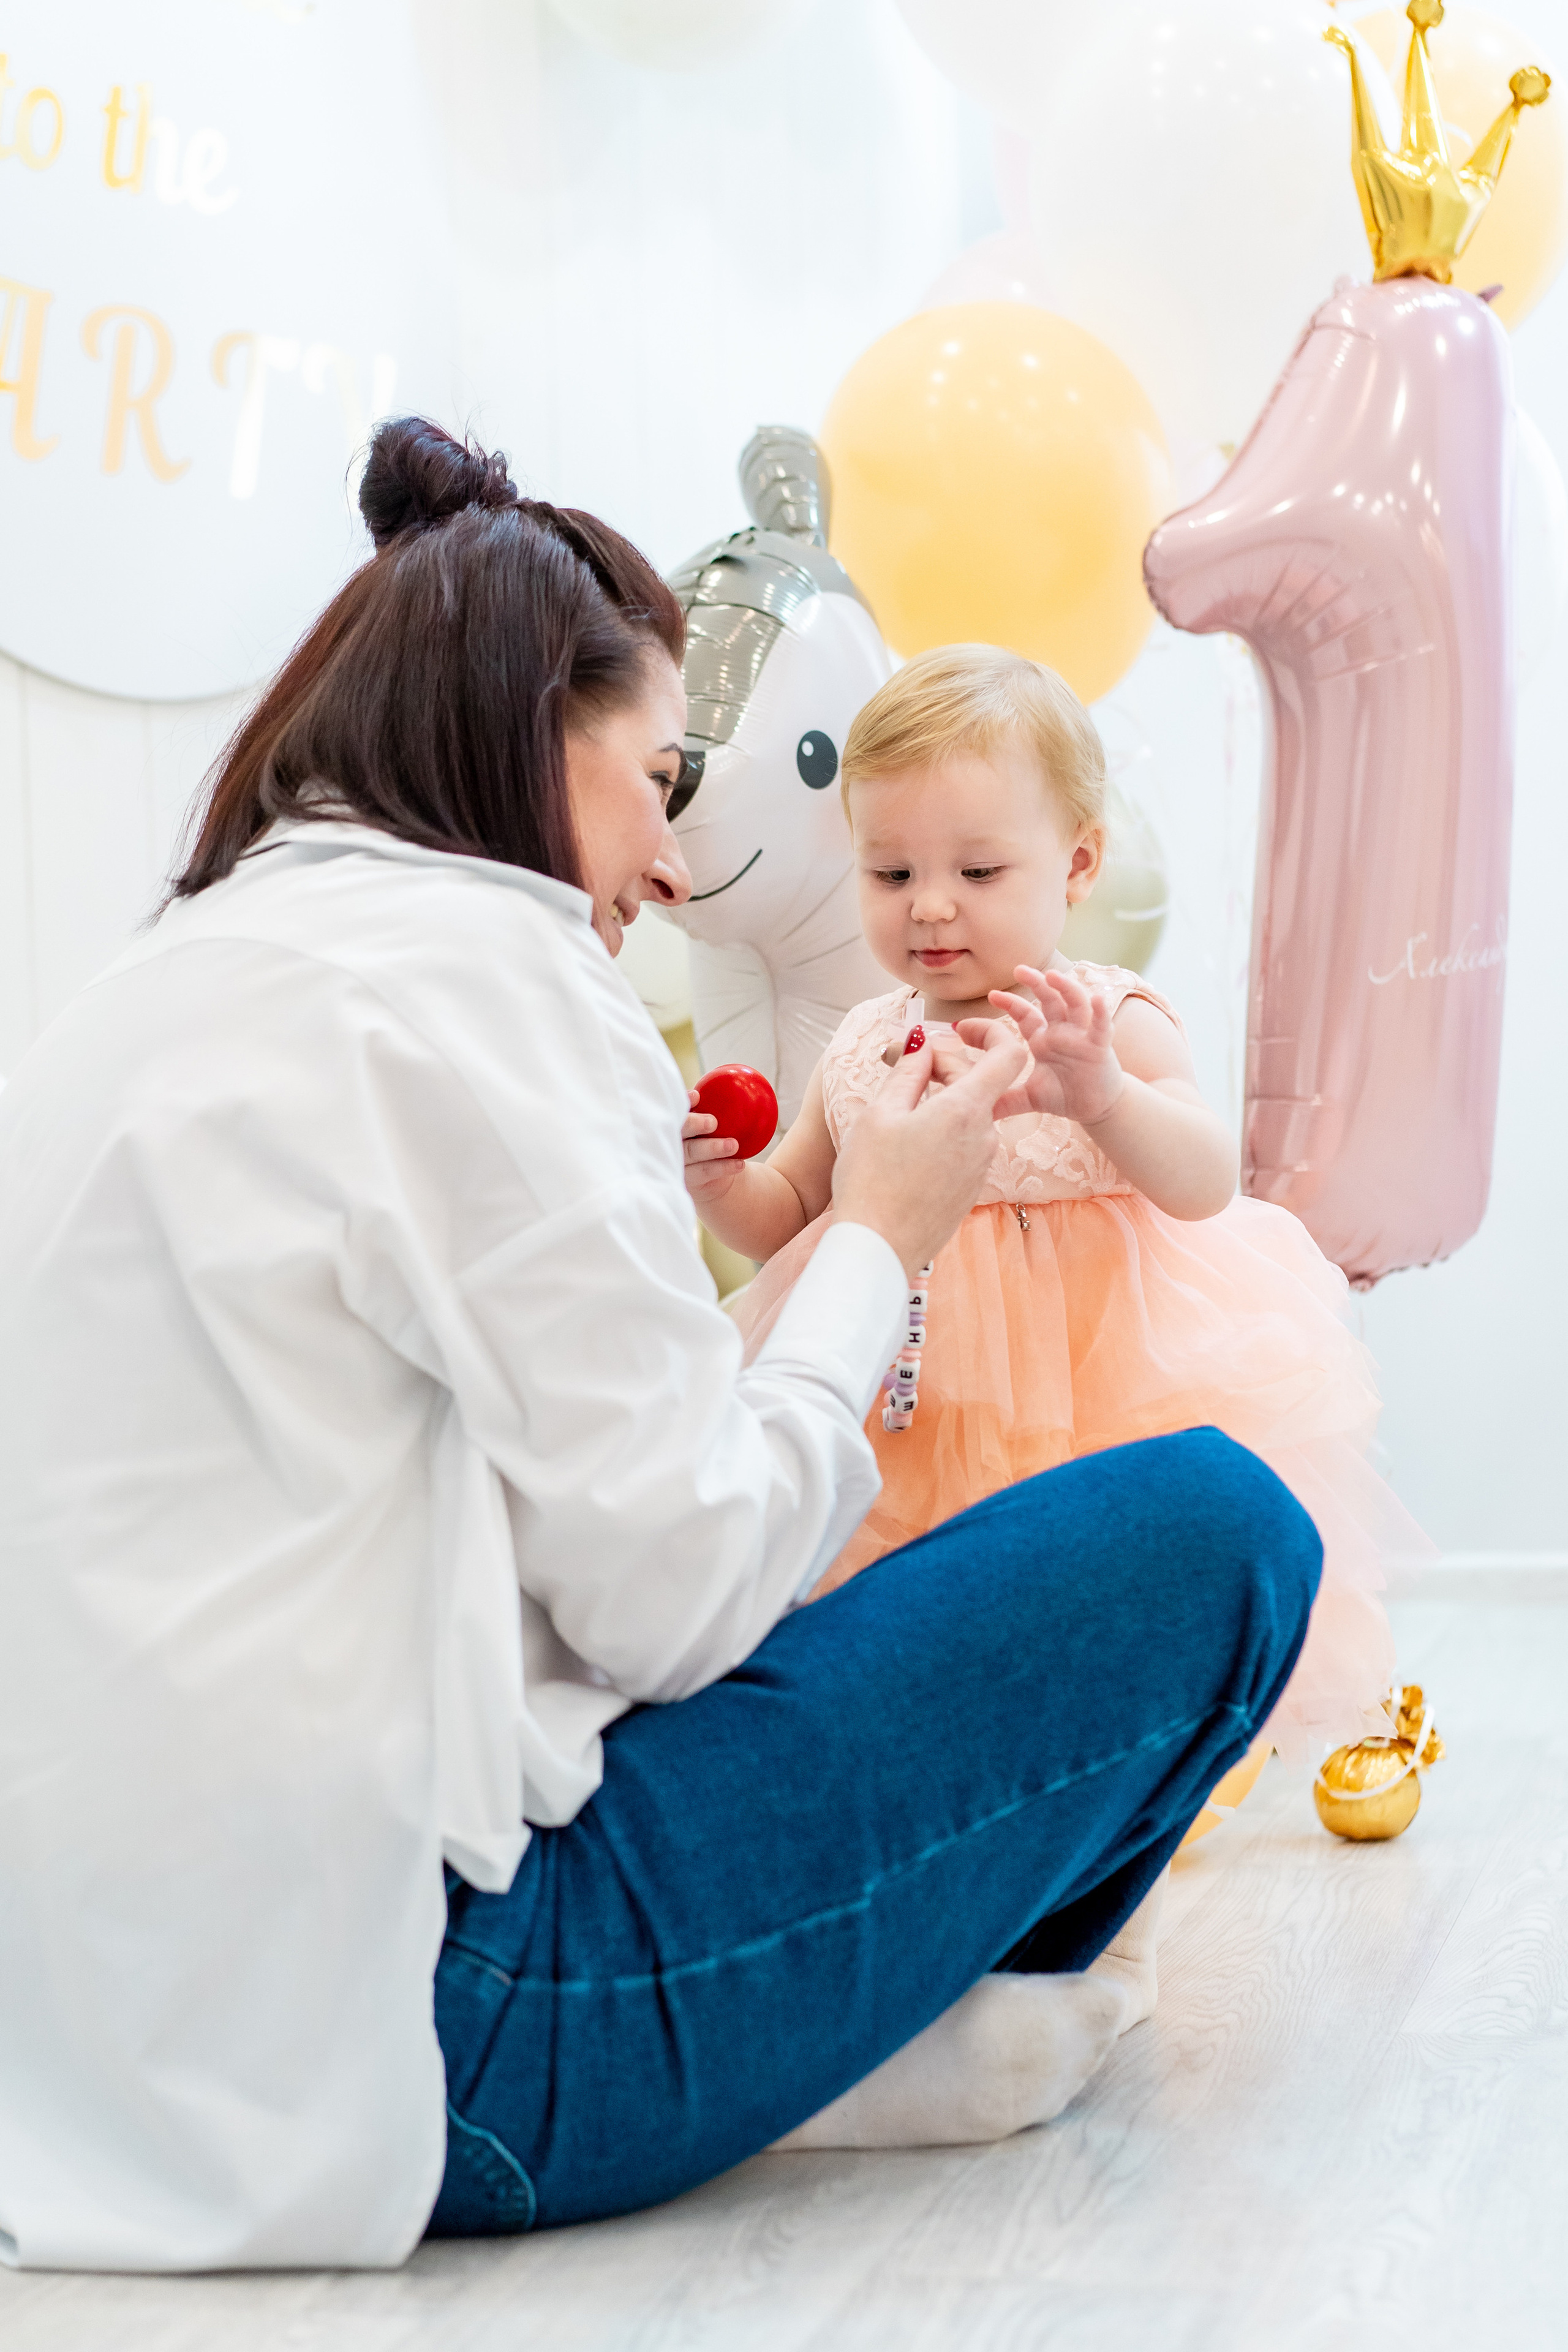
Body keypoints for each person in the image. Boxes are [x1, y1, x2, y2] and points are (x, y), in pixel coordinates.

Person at [0, 424, 1321, 2274]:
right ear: (546, 740)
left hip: (90, 2062)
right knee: (1215, 1528)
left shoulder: (162, 977)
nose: (675, 864)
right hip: (441, 2033)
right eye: (656, 778)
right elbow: (676, 1593)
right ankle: (856, 2023)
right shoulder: (500, 980)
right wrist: (881, 1236)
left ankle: (838, 2025)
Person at [690, 644, 1430, 1778]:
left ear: (1077, 864)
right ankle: (966, 1780)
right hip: (916, 1396)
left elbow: (1204, 1178)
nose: (931, 906)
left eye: (979, 872)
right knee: (930, 1602)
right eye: (890, 874)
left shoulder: (1107, 1018)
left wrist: (1108, 1097)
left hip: (1103, 1374)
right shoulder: (863, 1045)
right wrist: (723, 1188)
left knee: (1111, 1588)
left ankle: (1123, 1770)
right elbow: (794, 1212)